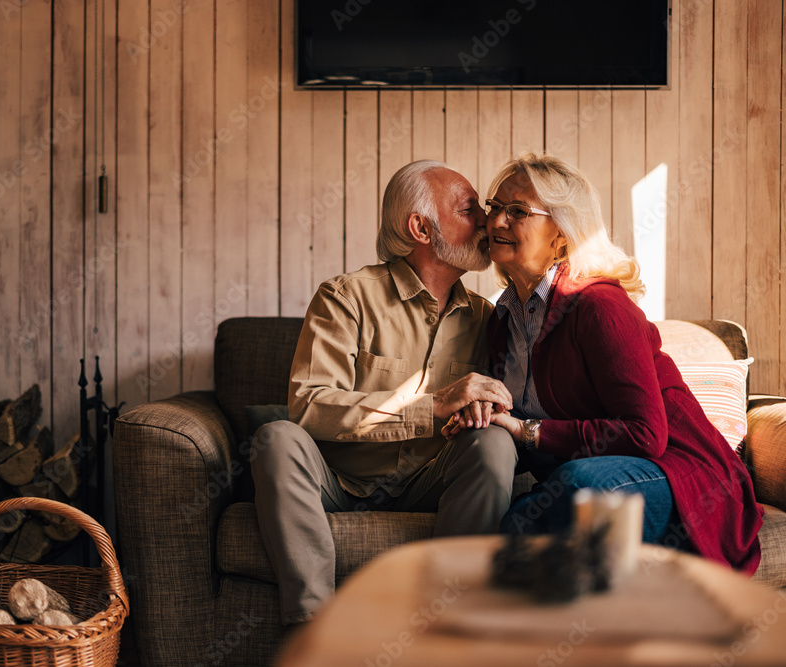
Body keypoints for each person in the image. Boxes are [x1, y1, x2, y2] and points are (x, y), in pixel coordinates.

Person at [443, 152, 763, 573]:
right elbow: (519, 426)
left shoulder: (598, 306)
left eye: (517, 211)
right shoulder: (501, 320)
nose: (496, 222)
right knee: (535, 511)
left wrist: (526, 431)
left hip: (682, 475)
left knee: (574, 490)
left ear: (561, 233)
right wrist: (484, 418)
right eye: (495, 207)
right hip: (582, 478)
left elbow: (646, 435)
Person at [252, 160, 518, 626]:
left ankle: (448, 621)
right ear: (420, 227)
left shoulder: (488, 318)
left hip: (432, 482)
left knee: (494, 443)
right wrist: (434, 406)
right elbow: (310, 405)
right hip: (339, 481)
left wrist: (483, 409)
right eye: (469, 209)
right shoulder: (345, 297)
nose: (486, 221)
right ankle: (311, 629)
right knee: (276, 439)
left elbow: (497, 409)